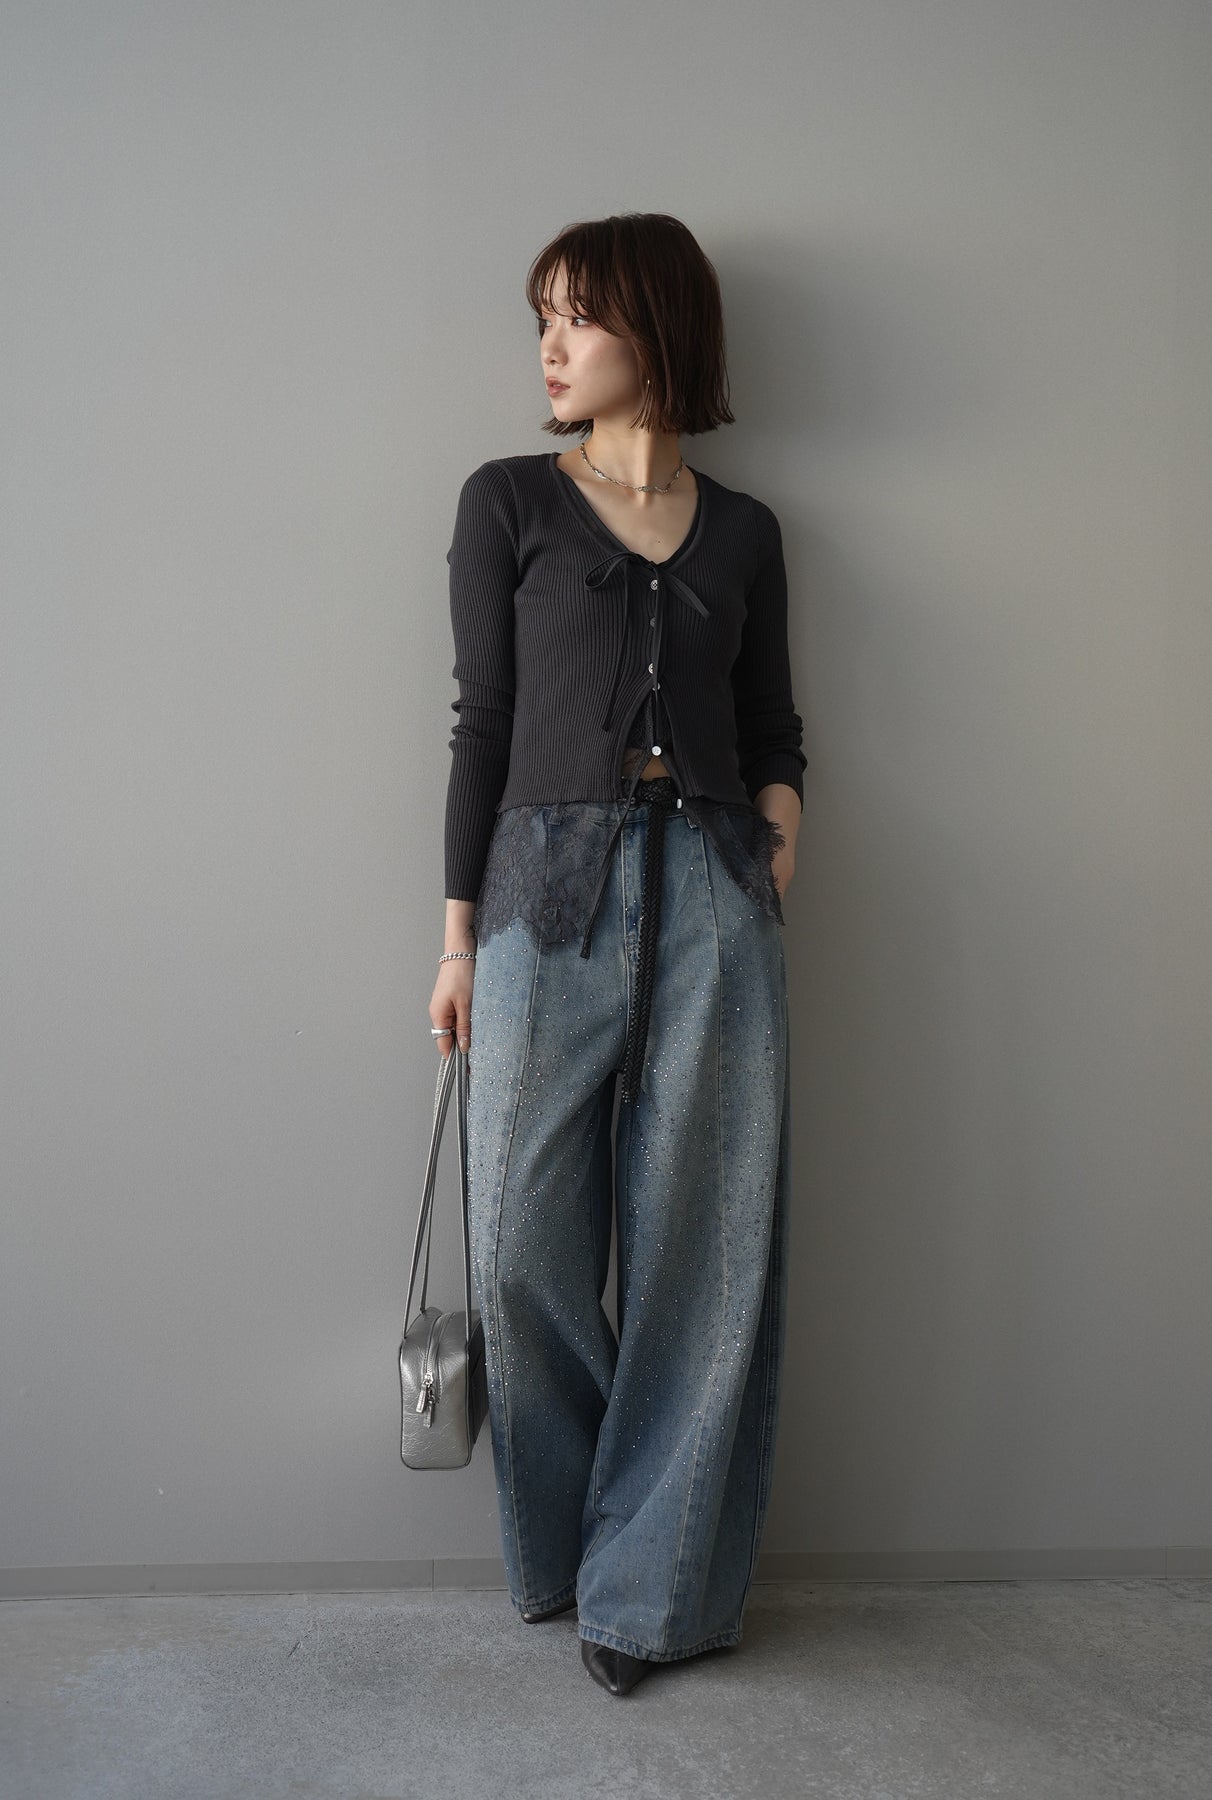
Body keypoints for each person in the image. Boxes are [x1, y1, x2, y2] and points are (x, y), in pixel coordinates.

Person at [429, 212, 806, 1697]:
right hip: (541, 897)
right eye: (544, 317)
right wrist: (457, 941)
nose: (551, 345)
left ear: (657, 329)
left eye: (579, 316)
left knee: (702, 1252)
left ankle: (646, 1598)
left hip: (716, 891)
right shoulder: (510, 501)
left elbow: (773, 727)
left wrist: (779, 832)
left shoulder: (748, 532)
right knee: (521, 1243)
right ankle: (576, 1551)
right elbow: (482, 724)